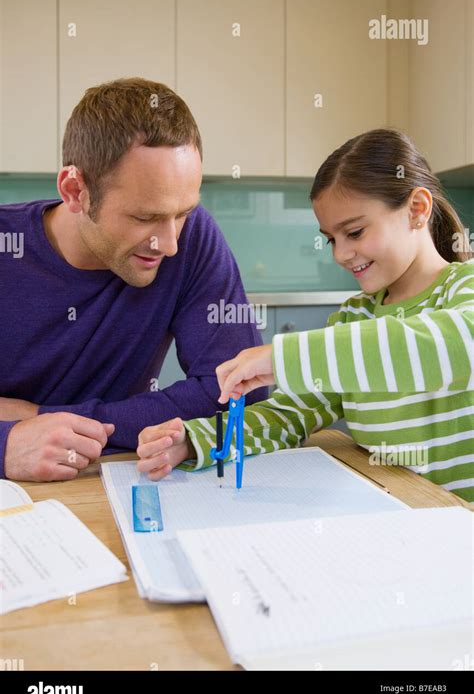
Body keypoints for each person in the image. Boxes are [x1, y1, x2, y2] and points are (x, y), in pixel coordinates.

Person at [136, 129, 474, 504]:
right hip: (393, 517)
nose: (341, 254)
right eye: (331, 238)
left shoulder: (464, 289)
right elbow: (289, 415)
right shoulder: (355, 319)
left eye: (355, 232)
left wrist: (284, 357)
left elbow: (452, 346)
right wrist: (197, 441)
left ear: (417, 209)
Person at [0, 77, 266, 482]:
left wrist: (41, 418)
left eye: (183, 212)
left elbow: (244, 391)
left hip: (112, 482)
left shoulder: (192, 238)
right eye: (144, 218)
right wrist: (6, 447)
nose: (172, 244)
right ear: (75, 191)